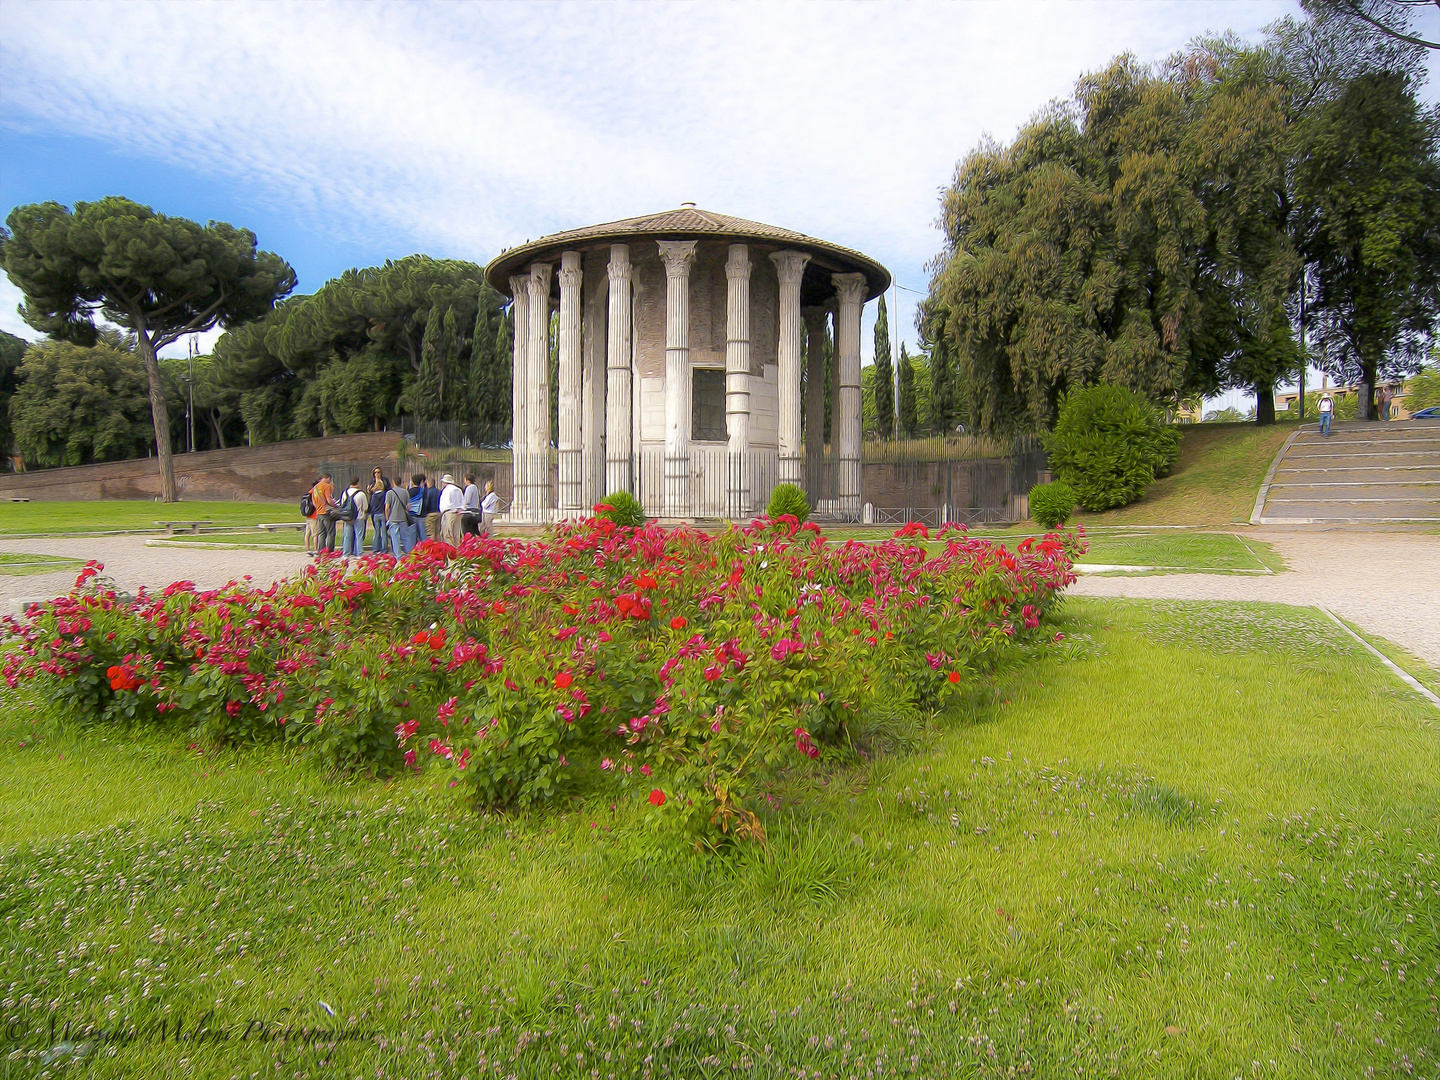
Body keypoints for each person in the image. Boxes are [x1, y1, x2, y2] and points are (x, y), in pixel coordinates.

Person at [384, 475, 417, 558]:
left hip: (393, 518)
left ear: (393, 482)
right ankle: (409, 554)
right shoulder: (405, 492)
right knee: (405, 537)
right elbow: (408, 506)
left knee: (395, 539)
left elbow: (387, 507)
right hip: (403, 518)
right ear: (400, 482)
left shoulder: (389, 493)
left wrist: (387, 517)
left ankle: (398, 556)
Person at [340, 477, 369, 557]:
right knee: (358, 536)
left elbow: (342, 504)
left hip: (347, 517)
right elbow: (365, 507)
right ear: (358, 483)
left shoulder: (344, 493)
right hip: (359, 517)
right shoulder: (361, 494)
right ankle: (359, 553)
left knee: (347, 536)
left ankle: (345, 553)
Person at [311, 472, 337, 554]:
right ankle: (329, 551)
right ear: (328, 478)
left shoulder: (315, 487)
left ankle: (321, 551)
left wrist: (319, 508)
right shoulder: (326, 486)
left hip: (318, 512)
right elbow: (329, 500)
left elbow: (314, 502)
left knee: (321, 533)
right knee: (330, 532)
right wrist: (336, 506)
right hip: (326, 512)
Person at [439, 473, 465, 546]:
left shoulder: (446, 490)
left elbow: (447, 503)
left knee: (448, 535)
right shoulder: (458, 489)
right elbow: (462, 502)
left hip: (449, 512)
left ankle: (450, 553)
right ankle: (457, 551)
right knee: (456, 534)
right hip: (457, 513)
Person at [368, 468, 391, 554]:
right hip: (382, 513)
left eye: (378, 472)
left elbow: (372, 505)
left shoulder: (373, 496)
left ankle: (375, 548)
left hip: (376, 514)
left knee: (377, 531)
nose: (377, 474)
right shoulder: (384, 495)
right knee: (384, 532)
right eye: (375, 472)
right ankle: (384, 549)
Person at [302, 476, 321, 554]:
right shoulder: (315, 492)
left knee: (307, 533)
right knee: (315, 534)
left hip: (308, 515)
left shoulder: (309, 492)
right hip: (314, 515)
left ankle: (307, 548)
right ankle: (316, 549)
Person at [407, 474, 429, 539]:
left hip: (411, 516)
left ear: (412, 482)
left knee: (412, 537)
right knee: (423, 536)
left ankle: (414, 548)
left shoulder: (408, 492)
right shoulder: (424, 491)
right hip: (422, 515)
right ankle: (425, 548)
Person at [461, 472, 482, 537]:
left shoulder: (469, 488)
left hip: (469, 511)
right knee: (474, 530)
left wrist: (462, 506)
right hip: (475, 511)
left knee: (467, 531)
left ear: (467, 480)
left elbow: (467, 500)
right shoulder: (476, 488)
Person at [422, 474, 443, 541]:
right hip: (438, 513)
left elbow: (427, 503)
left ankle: (432, 547)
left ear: (428, 483)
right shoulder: (439, 491)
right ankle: (438, 546)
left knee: (431, 532)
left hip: (431, 513)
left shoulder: (428, 492)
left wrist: (425, 512)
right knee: (437, 532)